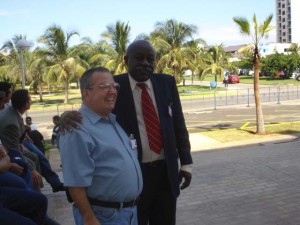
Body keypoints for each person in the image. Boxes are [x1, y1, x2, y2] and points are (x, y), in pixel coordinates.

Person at [61, 40, 193, 225]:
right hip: (135, 175)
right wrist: (64, 116)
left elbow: (178, 123)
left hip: (165, 173)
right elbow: (89, 106)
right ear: (126, 60)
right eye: (139, 58)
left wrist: (186, 163)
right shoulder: (115, 86)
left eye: (150, 58)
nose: (145, 63)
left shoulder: (166, 82)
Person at [59, 67, 143, 225]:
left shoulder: (111, 120)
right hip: (104, 217)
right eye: (104, 86)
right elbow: (75, 182)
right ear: (86, 93)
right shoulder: (76, 129)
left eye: (114, 86)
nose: (112, 91)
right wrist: (88, 217)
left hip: (129, 213)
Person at [0, 89, 65, 192]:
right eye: (30, 99)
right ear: (26, 104)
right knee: (31, 162)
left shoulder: (13, 111)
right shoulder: (11, 123)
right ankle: (35, 192)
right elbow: (13, 150)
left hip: (16, 143)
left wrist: (24, 132)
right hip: (9, 151)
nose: (31, 101)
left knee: (37, 156)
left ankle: (40, 188)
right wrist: (32, 170)